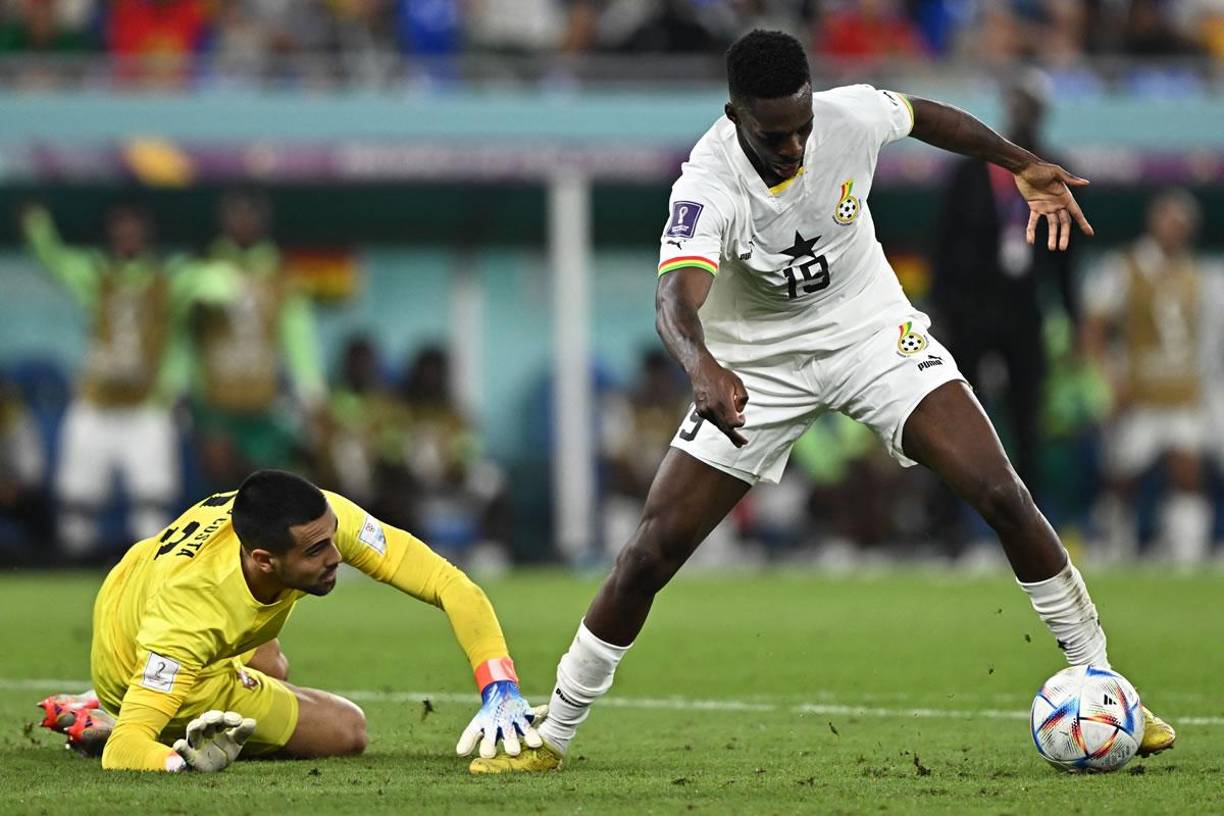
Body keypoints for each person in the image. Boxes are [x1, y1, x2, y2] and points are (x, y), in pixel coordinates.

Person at [471, 29, 1175, 774]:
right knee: (651, 551)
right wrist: (701, 365)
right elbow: (673, 300)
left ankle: (1103, 682)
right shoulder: (706, 185)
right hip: (755, 366)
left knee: (1002, 491)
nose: (797, 146)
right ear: (734, 114)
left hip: (869, 331)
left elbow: (929, 116)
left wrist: (1020, 163)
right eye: (777, 135)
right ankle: (552, 733)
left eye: (803, 125)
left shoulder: (845, 116)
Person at [37, 469, 543, 771]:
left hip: (133, 588)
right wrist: (177, 759)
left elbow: (449, 583)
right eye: (317, 551)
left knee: (273, 663)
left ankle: (126, 701)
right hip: (143, 655)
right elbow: (125, 753)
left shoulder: (318, 519)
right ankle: (108, 713)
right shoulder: (193, 613)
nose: (336, 556)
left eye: (332, 538)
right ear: (264, 559)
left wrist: (499, 686)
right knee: (347, 731)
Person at [931, 69, 1079, 499]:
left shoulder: (1055, 172)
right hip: (971, 309)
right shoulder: (971, 172)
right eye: (1017, 103)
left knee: (1025, 418)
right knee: (955, 416)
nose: (1022, 113)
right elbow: (943, 242)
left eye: (1030, 105)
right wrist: (940, 309)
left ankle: (1032, 528)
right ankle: (948, 527)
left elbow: (1066, 258)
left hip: (1023, 310)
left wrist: (1073, 318)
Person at [20, 201, 180, 558]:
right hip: (96, 402)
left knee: (151, 500)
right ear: (111, 234)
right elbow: (54, 260)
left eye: (134, 229)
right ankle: (74, 572)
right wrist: (37, 226)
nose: (128, 237)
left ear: (147, 234)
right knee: (78, 500)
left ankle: (149, 577)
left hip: (144, 405)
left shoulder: (165, 280)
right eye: (121, 229)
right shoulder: (95, 276)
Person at [1082, 189, 1221, 564]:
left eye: (1182, 224)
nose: (1175, 230)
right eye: (1169, 221)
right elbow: (1094, 328)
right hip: (1137, 392)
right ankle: (1114, 549)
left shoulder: (1199, 275)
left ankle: (1188, 556)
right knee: (1123, 477)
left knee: (1188, 471)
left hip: (1182, 392)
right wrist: (1109, 379)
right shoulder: (1124, 268)